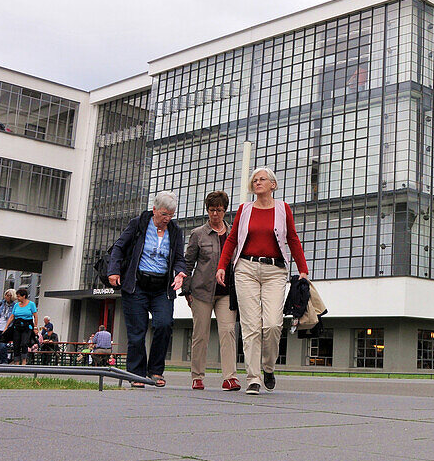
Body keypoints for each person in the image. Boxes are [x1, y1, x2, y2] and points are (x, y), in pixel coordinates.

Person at [217, 167, 310, 395]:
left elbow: (292, 239)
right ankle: (253, 378)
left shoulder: (282, 208)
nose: (257, 182)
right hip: (246, 269)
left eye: (262, 179)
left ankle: (268, 367)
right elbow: (231, 240)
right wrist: (222, 265)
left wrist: (303, 269)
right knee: (250, 327)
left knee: (272, 324)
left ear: (273, 185)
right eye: (255, 180)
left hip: (275, 271)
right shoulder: (244, 209)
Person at [108, 191, 189, 388]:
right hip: (137, 285)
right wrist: (114, 271)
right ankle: (136, 374)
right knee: (137, 331)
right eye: (163, 214)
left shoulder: (176, 231)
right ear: (154, 210)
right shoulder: (138, 224)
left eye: (171, 215)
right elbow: (119, 247)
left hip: (162, 287)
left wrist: (180, 273)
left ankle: (155, 371)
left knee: (164, 324)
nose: (167, 219)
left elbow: (179, 257)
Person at [184, 190, 240, 391]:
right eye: (211, 210)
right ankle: (197, 376)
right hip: (201, 292)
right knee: (200, 334)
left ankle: (230, 377)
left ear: (225, 210)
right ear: (207, 210)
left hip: (226, 292)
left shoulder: (234, 233)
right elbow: (188, 264)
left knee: (228, 332)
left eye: (219, 210)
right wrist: (186, 290)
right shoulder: (198, 234)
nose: (215, 214)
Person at [8, 288, 40, 365]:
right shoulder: (16, 305)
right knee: (16, 344)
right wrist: (7, 327)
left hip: (27, 326)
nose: (17, 298)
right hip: (17, 325)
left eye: (19, 296)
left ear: (24, 296)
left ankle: (24, 360)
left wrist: (35, 326)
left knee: (24, 343)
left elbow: (35, 316)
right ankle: (17, 361)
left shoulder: (31, 304)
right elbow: (12, 316)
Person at [0, 289, 16, 364]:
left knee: (3, 345)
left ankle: (4, 361)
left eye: (9, 296)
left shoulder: (14, 306)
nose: (7, 297)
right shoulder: (1, 303)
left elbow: (13, 318)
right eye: (6, 295)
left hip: (6, 328)